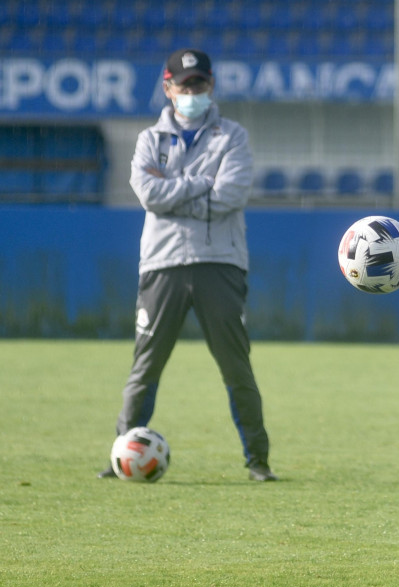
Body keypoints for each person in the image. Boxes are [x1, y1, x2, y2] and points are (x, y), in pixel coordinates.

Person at [97, 48, 276, 482]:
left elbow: (230, 195)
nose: (191, 91)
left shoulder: (233, 135)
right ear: (168, 88)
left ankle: (258, 461)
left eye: (199, 83)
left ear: (210, 85)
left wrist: (173, 191)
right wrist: (201, 187)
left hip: (220, 263)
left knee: (236, 367)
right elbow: (147, 195)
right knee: (146, 367)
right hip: (162, 264)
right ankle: (121, 454)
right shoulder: (148, 140)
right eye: (184, 84)